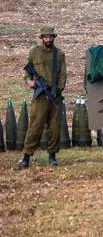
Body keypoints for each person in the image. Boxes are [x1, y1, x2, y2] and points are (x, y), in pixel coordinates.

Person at [20, 26, 67, 168]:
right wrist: (29, 81)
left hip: (54, 96)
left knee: (54, 128)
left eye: (50, 37)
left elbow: (63, 75)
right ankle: (26, 157)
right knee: (35, 126)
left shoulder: (59, 54)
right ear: (42, 38)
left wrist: (57, 90)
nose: (48, 39)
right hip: (40, 96)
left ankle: (52, 156)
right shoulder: (35, 52)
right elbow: (27, 70)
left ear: (53, 38)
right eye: (45, 37)